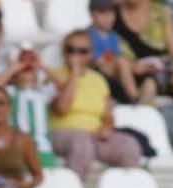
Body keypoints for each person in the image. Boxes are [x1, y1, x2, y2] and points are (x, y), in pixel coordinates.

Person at [48, 30, 142, 180]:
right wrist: (74, 74)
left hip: (93, 135)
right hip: (62, 132)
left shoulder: (98, 80)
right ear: (64, 52)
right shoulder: (54, 74)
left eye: (82, 51)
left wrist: (106, 128)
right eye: (71, 50)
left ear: (90, 54)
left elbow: (107, 115)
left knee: (129, 146)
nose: (76, 55)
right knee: (81, 143)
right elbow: (62, 108)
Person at [115, 0, 173, 105]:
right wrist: (132, 67)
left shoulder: (162, 11)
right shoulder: (110, 13)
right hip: (128, 72)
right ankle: (135, 107)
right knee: (148, 83)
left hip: (160, 70)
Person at [86, 0, 138, 103]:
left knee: (129, 64)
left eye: (112, 12)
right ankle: (134, 97)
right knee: (122, 62)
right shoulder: (88, 35)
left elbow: (116, 55)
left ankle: (132, 94)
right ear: (92, 14)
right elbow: (97, 60)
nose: (108, 17)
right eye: (102, 12)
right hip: (96, 72)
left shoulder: (114, 36)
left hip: (113, 72)